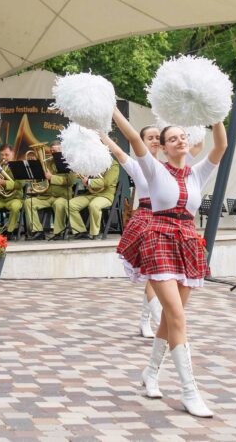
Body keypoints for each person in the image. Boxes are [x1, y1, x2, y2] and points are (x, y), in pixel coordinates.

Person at [110, 107, 226, 418]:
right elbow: (133, 138)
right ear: (162, 147)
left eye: (182, 136)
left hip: (187, 242)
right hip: (158, 240)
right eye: (172, 139)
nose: (179, 141)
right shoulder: (154, 170)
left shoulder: (198, 173)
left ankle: (150, 373)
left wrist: (215, 110)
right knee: (176, 316)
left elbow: (221, 145)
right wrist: (112, 109)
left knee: (171, 319)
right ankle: (190, 392)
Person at [103, 126, 163, 338]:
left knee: (156, 275)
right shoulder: (137, 166)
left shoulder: (168, 167)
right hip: (146, 221)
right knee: (154, 274)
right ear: (142, 141)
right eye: (150, 137)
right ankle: (160, 324)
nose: (154, 140)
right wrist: (101, 134)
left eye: (158, 137)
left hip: (166, 221)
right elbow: (119, 153)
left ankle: (147, 321)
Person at [66, 159, 119, 239]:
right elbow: (87, 178)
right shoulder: (92, 162)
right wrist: (82, 177)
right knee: (70, 204)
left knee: (94, 205)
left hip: (105, 195)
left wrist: (89, 182)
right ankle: (80, 231)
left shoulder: (113, 164)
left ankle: (95, 233)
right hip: (91, 194)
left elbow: (107, 182)